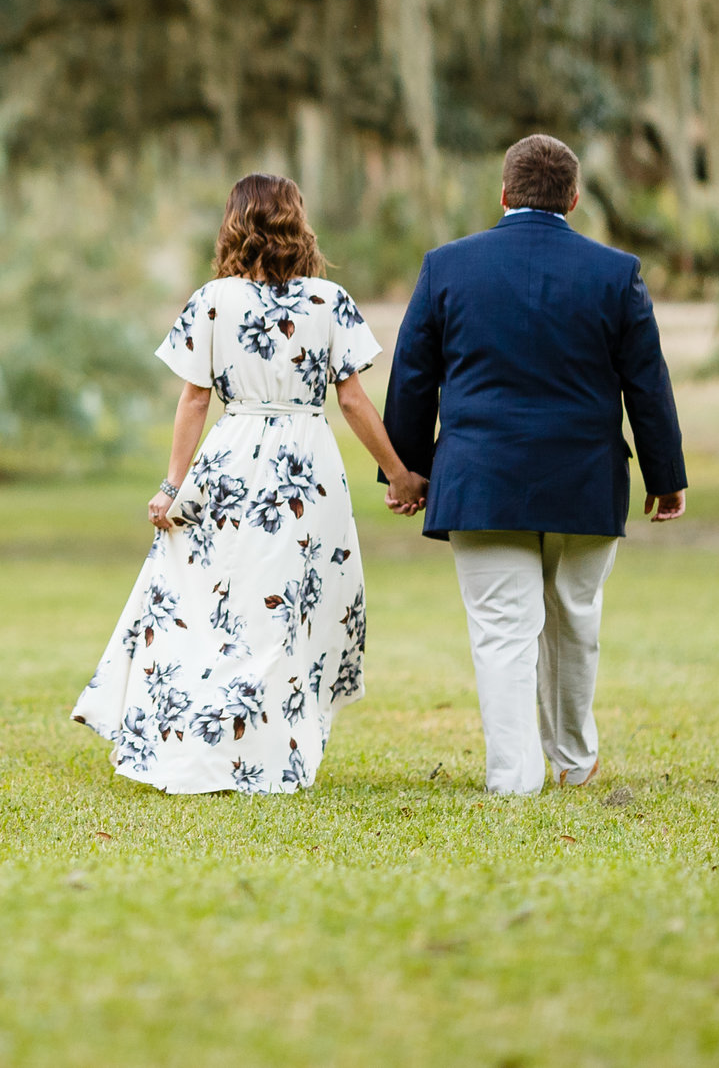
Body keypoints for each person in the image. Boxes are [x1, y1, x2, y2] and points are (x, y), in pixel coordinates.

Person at [73, 174, 428, 795]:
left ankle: (219, 746)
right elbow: (352, 402)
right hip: (306, 470)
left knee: (217, 604)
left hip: (231, 460)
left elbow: (192, 401)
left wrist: (173, 486)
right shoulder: (329, 301)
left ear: (234, 224)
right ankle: (272, 754)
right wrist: (400, 475)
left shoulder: (213, 300)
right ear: (298, 223)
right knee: (289, 610)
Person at [382, 134, 687, 796]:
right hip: (584, 479)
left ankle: (513, 777)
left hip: (480, 480)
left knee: (502, 630)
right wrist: (666, 476)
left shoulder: (446, 267)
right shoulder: (615, 272)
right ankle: (575, 760)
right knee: (576, 618)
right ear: (574, 198)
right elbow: (647, 382)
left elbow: (412, 378)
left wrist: (407, 472)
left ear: (503, 193)